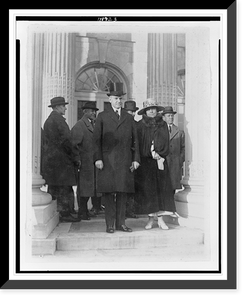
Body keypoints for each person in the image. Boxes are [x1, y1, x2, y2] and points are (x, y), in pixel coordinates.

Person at [93, 82, 140, 233]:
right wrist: (98, 158)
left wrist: (136, 159)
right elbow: (96, 140)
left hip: (125, 161)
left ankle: (121, 223)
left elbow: (135, 140)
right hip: (107, 162)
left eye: (120, 99)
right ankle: (110, 225)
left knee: (122, 193)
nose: (118, 101)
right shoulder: (102, 116)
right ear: (110, 100)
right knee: (108, 193)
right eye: (115, 98)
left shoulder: (128, 117)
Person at [135, 98, 177, 230]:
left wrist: (159, 153)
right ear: (145, 111)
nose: (152, 111)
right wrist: (149, 152)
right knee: (149, 192)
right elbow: (139, 144)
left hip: (160, 162)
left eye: (153, 108)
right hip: (146, 163)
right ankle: (150, 220)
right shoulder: (140, 125)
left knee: (161, 191)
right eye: (149, 109)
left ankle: (161, 220)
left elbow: (165, 142)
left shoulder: (162, 124)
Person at [42, 96, 80, 223]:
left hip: (53, 161)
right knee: (64, 187)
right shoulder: (59, 121)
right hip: (62, 160)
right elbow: (67, 141)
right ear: (57, 107)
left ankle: (58, 212)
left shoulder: (49, 121)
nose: (65, 108)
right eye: (63, 106)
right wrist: (75, 156)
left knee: (54, 188)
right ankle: (65, 213)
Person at [71, 101, 102, 220]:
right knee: (84, 189)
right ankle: (82, 212)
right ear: (84, 112)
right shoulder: (79, 125)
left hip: (92, 163)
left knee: (90, 188)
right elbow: (74, 145)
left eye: (95, 111)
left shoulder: (92, 124)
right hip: (84, 163)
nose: (94, 113)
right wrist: (78, 160)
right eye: (91, 111)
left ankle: (85, 211)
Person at [162, 106, 185, 217]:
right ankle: (162, 210)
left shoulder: (179, 131)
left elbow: (183, 148)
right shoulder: (160, 130)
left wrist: (180, 160)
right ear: (164, 117)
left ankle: (171, 210)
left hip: (175, 163)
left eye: (172, 116)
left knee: (172, 187)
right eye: (168, 116)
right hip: (163, 163)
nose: (170, 117)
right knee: (163, 186)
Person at [123, 100, 139, 219]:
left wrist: (135, 159)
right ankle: (122, 211)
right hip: (122, 159)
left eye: (134, 112)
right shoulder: (121, 124)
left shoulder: (137, 125)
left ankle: (131, 210)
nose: (132, 114)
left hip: (133, 159)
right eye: (130, 111)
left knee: (132, 187)